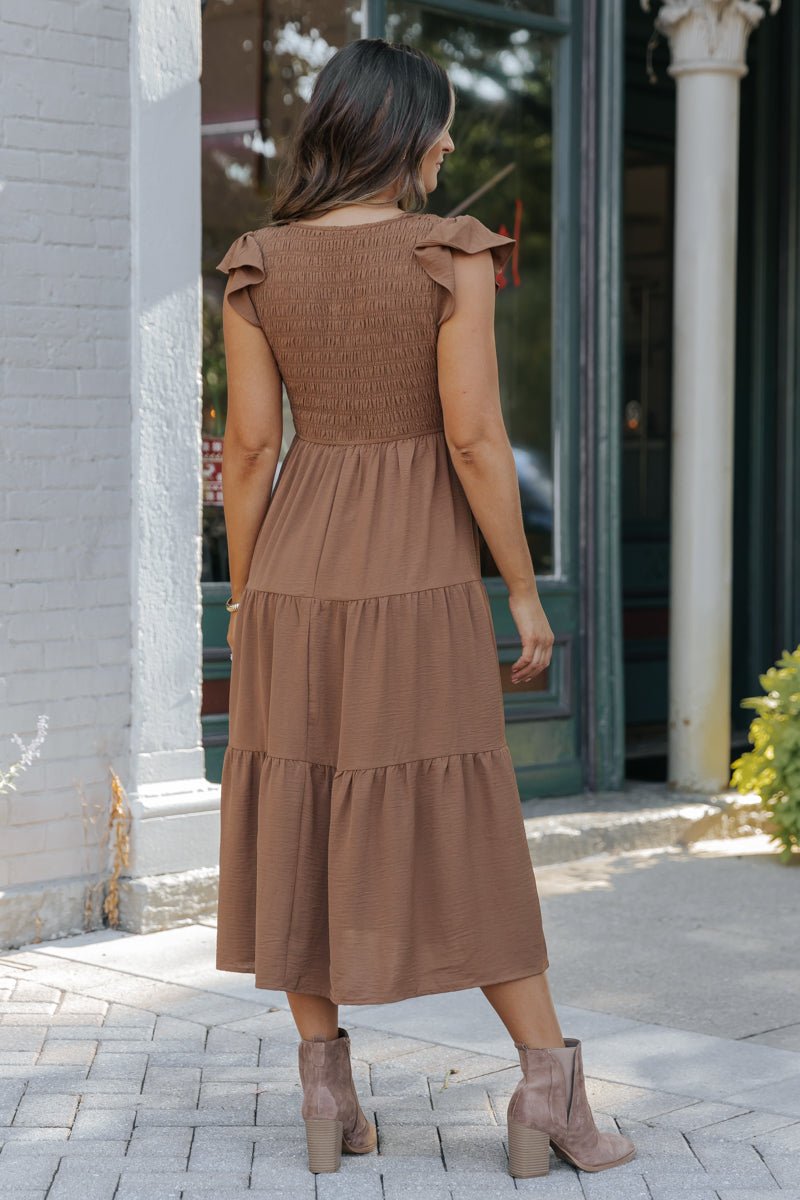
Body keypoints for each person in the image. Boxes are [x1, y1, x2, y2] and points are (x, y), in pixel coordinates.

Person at [214, 36, 635, 1181]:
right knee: (466, 827)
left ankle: (327, 1099)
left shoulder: (256, 261)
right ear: (402, 133)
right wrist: (518, 589)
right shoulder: (448, 253)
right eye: (442, 124)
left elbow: (249, 452)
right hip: (416, 576)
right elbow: (469, 437)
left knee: (297, 811)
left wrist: (251, 600)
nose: (450, 143)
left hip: (294, 575)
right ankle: (546, 1091)